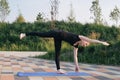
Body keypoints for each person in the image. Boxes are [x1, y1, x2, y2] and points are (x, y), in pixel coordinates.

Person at [20, 29, 109, 74]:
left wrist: (77, 66)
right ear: (85, 41)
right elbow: (91, 40)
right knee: (42, 34)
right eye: (86, 43)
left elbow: (75, 56)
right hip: (57, 33)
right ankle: (25, 34)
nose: (85, 45)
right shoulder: (80, 37)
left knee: (57, 53)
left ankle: (58, 69)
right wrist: (102, 42)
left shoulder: (76, 45)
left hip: (59, 39)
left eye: (86, 45)